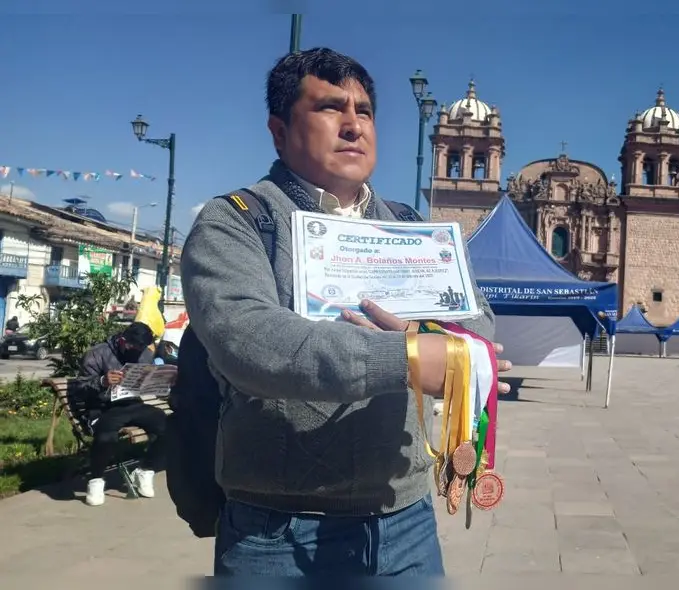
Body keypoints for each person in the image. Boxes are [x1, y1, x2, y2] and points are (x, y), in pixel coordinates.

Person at [181, 48, 511, 577]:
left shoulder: (410, 228)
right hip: (276, 533)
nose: (354, 125)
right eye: (331, 108)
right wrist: (403, 355)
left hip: (406, 523)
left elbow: (477, 323)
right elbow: (248, 340)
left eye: (365, 111)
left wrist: (423, 332)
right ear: (279, 131)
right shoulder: (236, 222)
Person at [76, 322, 166, 506]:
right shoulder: (98, 353)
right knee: (107, 431)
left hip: (132, 404)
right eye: (135, 346)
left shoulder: (145, 354)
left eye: (143, 347)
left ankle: (146, 470)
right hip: (103, 407)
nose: (139, 351)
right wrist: (102, 381)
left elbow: (146, 382)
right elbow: (80, 387)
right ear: (124, 340)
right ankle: (96, 480)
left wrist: (160, 382)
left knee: (166, 424)